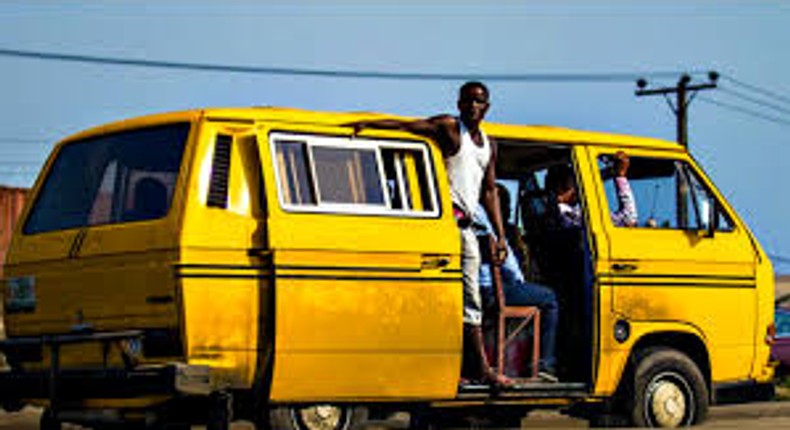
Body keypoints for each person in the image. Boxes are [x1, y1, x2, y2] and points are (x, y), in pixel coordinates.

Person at [347, 81, 511, 387]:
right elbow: (409, 126)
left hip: (469, 229)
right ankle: (478, 369)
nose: (473, 107)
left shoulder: (489, 144)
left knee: (470, 300)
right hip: (446, 225)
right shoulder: (450, 129)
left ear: (487, 107)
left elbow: (489, 191)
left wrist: (501, 236)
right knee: (449, 299)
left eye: (479, 102)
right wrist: (370, 123)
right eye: (468, 101)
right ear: (459, 104)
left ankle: (474, 368)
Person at [474, 187, 559, 382]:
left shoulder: (471, 217)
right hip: (492, 291)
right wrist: (521, 283)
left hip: (474, 290)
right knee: (549, 298)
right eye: (504, 205)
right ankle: (545, 364)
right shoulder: (493, 229)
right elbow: (511, 269)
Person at [546, 151, 637, 228]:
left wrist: (609, 173)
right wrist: (620, 176)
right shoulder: (568, 215)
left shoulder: (554, 214)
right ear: (559, 189)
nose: (579, 187)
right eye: (574, 182)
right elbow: (628, 219)